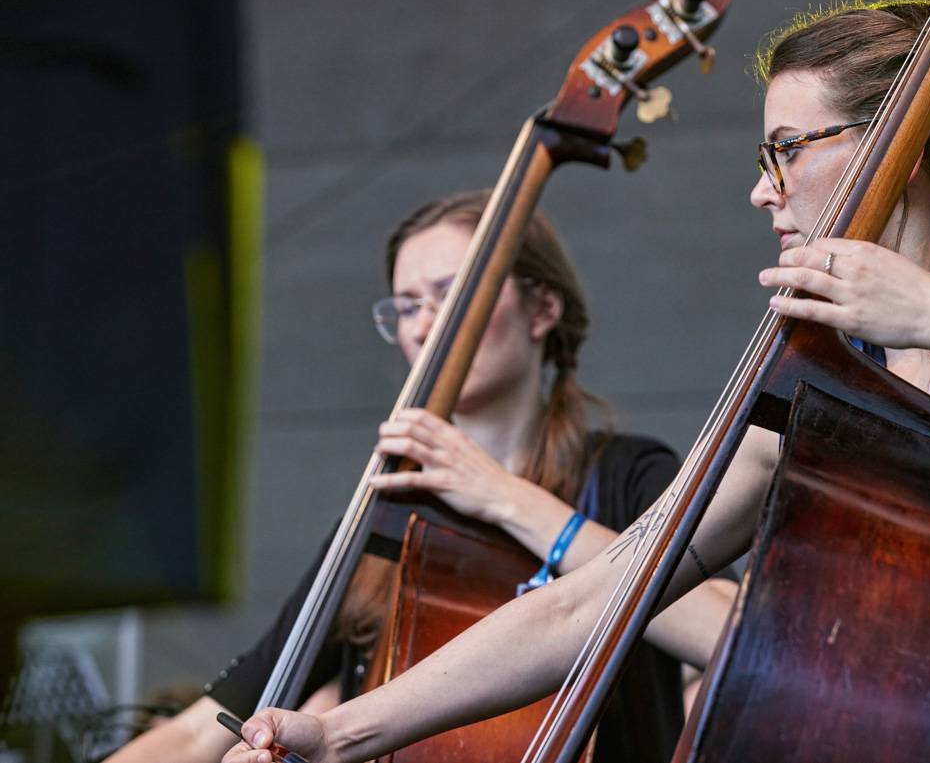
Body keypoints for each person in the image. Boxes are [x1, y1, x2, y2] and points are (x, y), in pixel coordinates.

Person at [220, 0, 930, 763]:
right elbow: (589, 598)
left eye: (786, 152)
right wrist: (346, 733)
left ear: (902, 146)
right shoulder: (828, 383)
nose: (761, 189)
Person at [103, 190, 737, 763]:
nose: (425, 324)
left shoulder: (629, 475)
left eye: (453, 294)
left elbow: (731, 641)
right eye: (408, 306)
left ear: (542, 308)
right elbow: (200, 732)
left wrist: (507, 498)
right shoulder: (388, 512)